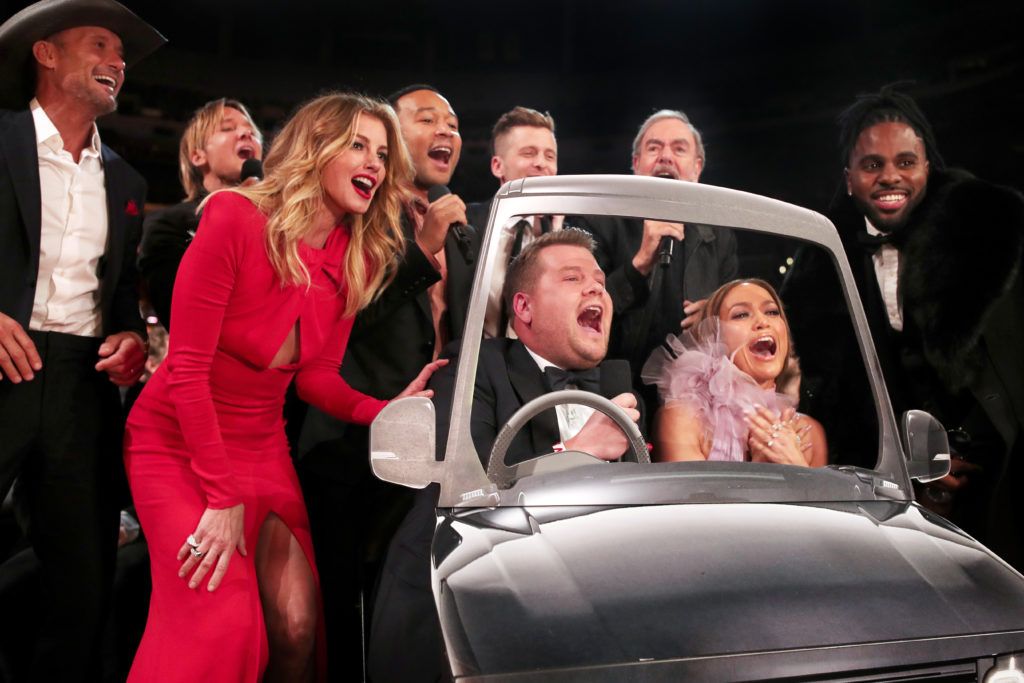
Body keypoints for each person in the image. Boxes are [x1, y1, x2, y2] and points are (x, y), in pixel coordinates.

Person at [123, 92, 443, 682]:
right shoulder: (232, 217)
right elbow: (188, 370)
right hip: (178, 443)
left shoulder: (357, 257)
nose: (373, 162)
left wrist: (382, 410)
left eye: (380, 152)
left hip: (263, 448)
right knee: (223, 627)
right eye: (356, 145)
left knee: (297, 627)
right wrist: (220, 498)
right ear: (315, 147)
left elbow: (316, 377)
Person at [368, 228, 642, 682]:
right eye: (573, 278)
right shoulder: (474, 366)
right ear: (524, 308)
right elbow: (463, 493)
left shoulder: (622, 388)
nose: (597, 287)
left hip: (587, 609)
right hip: (460, 598)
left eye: (599, 280)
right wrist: (574, 452)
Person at [782, 85, 1024, 569]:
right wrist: (916, 472)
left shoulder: (992, 227)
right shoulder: (817, 270)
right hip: (888, 493)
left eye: (905, 162)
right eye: (872, 165)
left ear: (927, 169)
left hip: (1003, 473)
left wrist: (957, 457)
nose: (890, 176)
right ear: (849, 179)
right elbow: (833, 394)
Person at [0, 0, 163, 678]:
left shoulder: (126, 180)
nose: (117, 61)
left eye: (121, 54)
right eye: (99, 44)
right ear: (46, 53)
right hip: (2, 360)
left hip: (80, 385)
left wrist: (128, 337)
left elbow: (122, 293)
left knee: (82, 582)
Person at [294, 84, 477, 677]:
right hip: (349, 440)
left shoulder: (459, 225)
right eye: (427, 119)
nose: (446, 131)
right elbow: (339, 321)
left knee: (410, 596)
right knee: (344, 599)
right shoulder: (355, 212)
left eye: (453, 122)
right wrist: (421, 252)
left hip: (429, 442)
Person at [578, 110, 738, 380]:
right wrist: (638, 265)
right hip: (615, 383)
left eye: (679, 148)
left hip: (696, 390)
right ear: (636, 164)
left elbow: (738, 317)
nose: (665, 156)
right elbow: (578, 313)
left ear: (697, 168)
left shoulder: (721, 236)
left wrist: (717, 315)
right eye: (654, 147)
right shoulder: (597, 223)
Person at [645, 279, 826, 466]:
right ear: (714, 336)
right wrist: (762, 469)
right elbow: (692, 495)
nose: (763, 322)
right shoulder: (683, 418)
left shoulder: (807, 433)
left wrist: (795, 463)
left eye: (772, 312)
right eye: (741, 315)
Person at [138, 97, 263, 331]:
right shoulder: (167, 224)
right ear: (198, 156)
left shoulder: (283, 221)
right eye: (228, 128)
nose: (246, 134)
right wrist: (235, 216)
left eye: (251, 131)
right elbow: (177, 313)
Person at [465, 105, 563, 337]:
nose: (541, 163)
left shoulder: (564, 234)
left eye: (549, 156)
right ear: (497, 166)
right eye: (528, 153)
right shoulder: (464, 223)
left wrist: (556, 239)